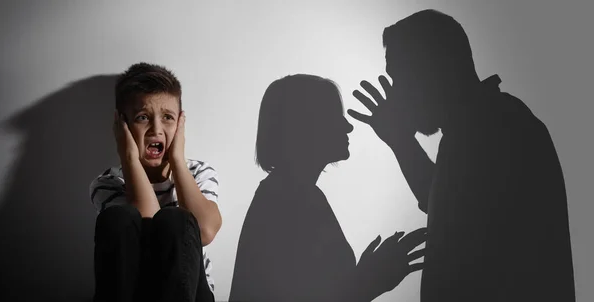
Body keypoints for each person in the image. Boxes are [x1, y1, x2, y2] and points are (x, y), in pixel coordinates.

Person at [349, 9, 575, 302]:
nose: (397, 94)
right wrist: (400, 141)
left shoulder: (497, 125)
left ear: (433, 67)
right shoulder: (479, 127)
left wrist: (401, 141)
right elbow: (450, 207)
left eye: (401, 76)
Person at [229, 74, 427, 302]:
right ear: (304, 125)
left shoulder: (293, 194)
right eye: (334, 116)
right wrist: (368, 280)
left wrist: (367, 278)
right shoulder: (287, 200)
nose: (348, 126)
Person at [89, 62, 222, 302]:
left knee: (177, 220)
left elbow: (205, 231)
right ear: (123, 126)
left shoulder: (199, 171)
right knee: (117, 217)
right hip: (135, 293)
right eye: (142, 118)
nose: (156, 130)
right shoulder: (109, 182)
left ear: (180, 124)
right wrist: (128, 156)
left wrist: (178, 161)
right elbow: (149, 233)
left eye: (168, 118)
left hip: (191, 295)